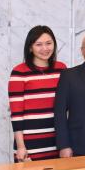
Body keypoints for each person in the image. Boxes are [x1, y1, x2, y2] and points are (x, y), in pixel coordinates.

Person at [8, 25, 67, 161]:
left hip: (58, 141)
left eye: (48, 43)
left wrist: (66, 142)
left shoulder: (62, 69)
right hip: (30, 144)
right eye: (38, 44)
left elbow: (67, 106)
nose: (45, 49)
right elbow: (16, 114)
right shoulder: (19, 72)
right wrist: (21, 146)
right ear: (30, 47)